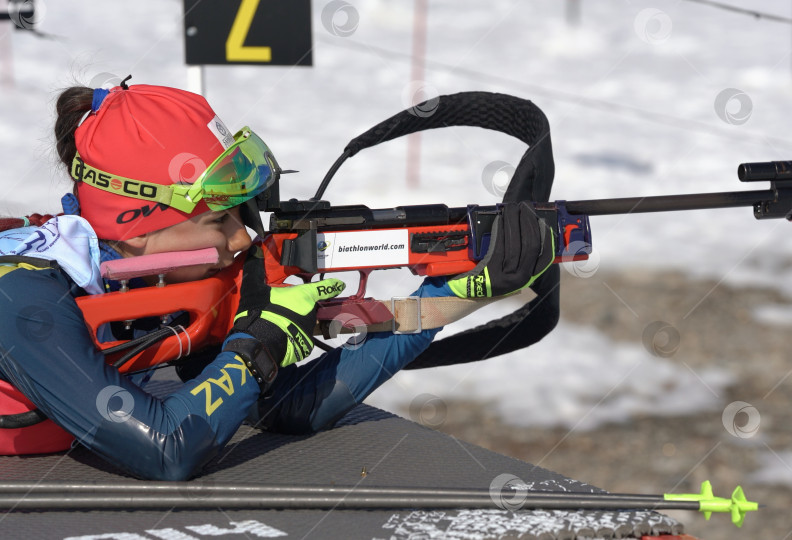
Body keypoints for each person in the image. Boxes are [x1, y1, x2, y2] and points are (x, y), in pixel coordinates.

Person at [0, 80, 553, 480]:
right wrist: (255, 346)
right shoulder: (21, 296)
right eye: (220, 220)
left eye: (244, 214)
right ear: (138, 227)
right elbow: (166, 450)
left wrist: (456, 293)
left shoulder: (145, 281)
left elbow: (288, 408)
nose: (243, 239)